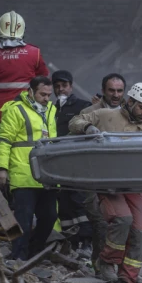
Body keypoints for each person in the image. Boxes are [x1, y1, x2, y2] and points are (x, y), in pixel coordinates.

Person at [68, 82, 142, 283]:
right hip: (109, 182)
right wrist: (88, 128)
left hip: (133, 185)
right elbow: (74, 121)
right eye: (141, 107)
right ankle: (107, 261)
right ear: (131, 101)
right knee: (123, 219)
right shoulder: (106, 115)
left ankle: (127, 280)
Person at [0, 10, 49, 173]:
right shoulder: (35, 53)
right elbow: (44, 82)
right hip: (26, 114)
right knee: (25, 153)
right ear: (23, 30)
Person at [0, 76, 57, 260]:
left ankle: (33, 251)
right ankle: (18, 256)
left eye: (49, 95)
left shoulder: (51, 110)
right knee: (24, 219)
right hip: (23, 173)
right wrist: (1, 168)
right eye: (42, 94)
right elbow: (4, 140)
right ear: (30, 91)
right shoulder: (15, 110)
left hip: (47, 176)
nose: (46, 98)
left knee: (49, 217)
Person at [80, 73, 126, 274]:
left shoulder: (130, 112)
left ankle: (121, 268)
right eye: (111, 90)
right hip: (95, 177)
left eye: (119, 91)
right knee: (100, 221)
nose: (116, 95)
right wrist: (87, 127)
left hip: (122, 176)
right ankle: (100, 266)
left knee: (125, 221)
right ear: (103, 90)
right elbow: (75, 127)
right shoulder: (90, 112)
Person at [51, 69, 93, 249]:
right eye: (57, 86)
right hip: (57, 163)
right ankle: (72, 241)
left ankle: (88, 242)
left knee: (79, 201)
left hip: (77, 163)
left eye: (64, 86)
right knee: (65, 203)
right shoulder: (51, 109)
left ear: (71, 86)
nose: (61, 89)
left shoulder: (82, 106)